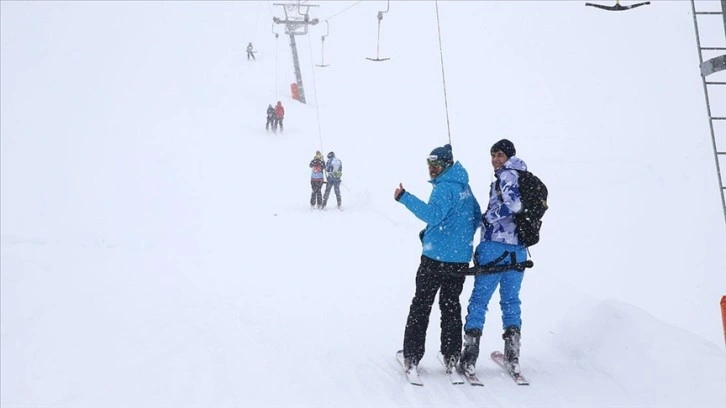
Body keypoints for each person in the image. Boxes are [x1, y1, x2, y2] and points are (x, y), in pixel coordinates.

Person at [393, 143, 481, 375]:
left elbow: (432, 215)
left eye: (436, 165)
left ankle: (411, 356)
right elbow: (476, 216)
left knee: (421, 304)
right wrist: (461, 242)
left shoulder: (444, 188)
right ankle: (451, 356)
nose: (432, 169)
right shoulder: (465, 186)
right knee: (451, 305)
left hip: (435, 257)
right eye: (429, 164)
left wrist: (404, 197)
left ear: (447, 165)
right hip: (459, 260)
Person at [459, 139, 528, 376]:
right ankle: (513, 357)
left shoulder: (507, 175)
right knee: (510, 301)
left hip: (494, 247)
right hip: (517, 249)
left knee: (479, 301)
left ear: (508, 156)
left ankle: (468, 357)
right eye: (493, 155)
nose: (495, 160)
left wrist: (489, 216)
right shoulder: (521, 175)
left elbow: (514, 205)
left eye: (499, 154)